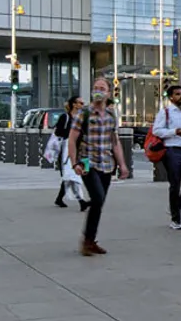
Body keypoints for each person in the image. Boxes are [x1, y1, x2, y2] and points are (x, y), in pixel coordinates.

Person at [70, 76, 130, 256]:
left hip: (107, 164)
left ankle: (90, 240)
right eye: (96, 88)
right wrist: (74, 163)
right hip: (87, 162)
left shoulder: (111, 115)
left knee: (99, 202)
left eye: (102, 88)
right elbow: (72, 139)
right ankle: (87, 241)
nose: (98, 91)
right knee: (97, 198)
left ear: (108, 93)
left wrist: (123, 165)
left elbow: (115, 141)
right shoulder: (84, 113)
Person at [151, 83, 181, 230]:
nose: (180, 96)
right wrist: (174, 132)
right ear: (171, 97)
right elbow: (156, 130)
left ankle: (175, 207)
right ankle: (175, 219)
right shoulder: (165, 112)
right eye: (177, 94)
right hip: (171, 151)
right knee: (175, 184)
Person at [53, 97, 88, 211]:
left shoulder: (81, 118)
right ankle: (81, 201)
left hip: (78, 149)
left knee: (69, 176)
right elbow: (58, 132)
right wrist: (71, 134)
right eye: (80, 103)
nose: (83, 105)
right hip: (66, 149)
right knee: (72, 175)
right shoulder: (65, 117)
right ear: (74, 104)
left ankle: (59, 198)